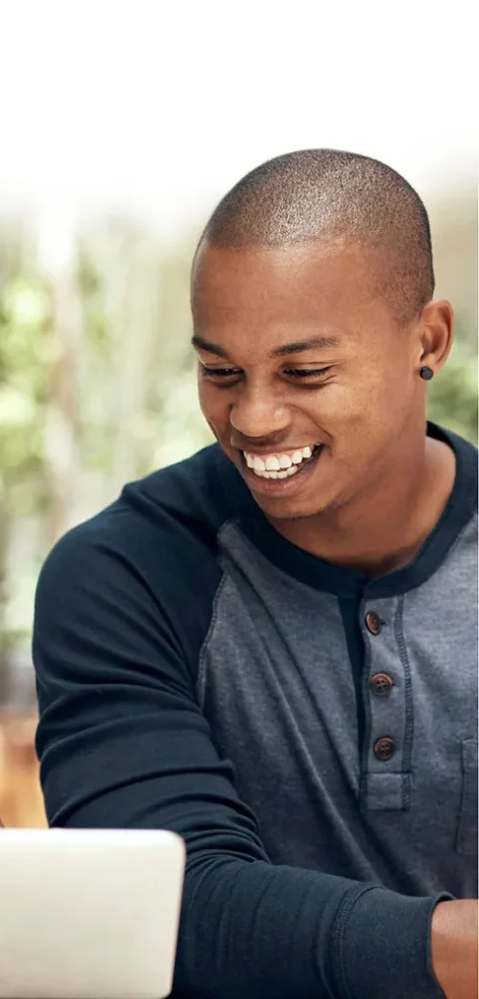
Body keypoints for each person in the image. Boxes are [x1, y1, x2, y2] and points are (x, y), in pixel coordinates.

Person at [32, 149, 477, 999]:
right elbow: (157, 908)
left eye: (305, 373)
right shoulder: (122, 574)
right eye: (220, 372)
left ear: (428, 341)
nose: (254, 417)